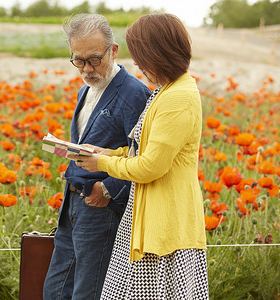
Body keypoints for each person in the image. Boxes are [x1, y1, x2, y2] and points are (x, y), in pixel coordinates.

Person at [72, 13, 209, 299]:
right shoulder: (166, 90)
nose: (137, 64)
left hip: (165, 223)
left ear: (158, 54)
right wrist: (110, 152)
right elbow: (145, 148)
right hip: (149, 217)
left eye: (140, 56)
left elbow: (151, 166)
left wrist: (103, 163)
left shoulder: (178, 97)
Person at [43, 14, 151, 300]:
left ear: (113, 51)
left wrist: (108, 189)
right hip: (72, 203)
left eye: (94, 59)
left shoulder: (134, 93)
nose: (87, 69)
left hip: (103, 210)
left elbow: (142, 156)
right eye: (78, 60)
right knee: (54, 290)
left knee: (87, 293)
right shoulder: (85, 90)